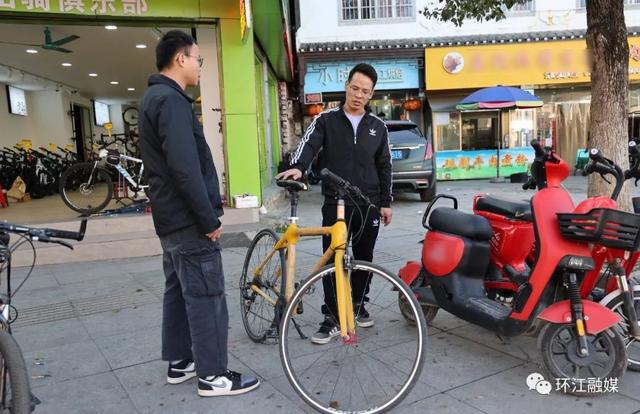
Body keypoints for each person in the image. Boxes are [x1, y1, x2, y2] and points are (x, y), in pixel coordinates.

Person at [138, 30, 259, 397]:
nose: (199, 66)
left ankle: (181, 362)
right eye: (197, 59)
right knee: (207, 295)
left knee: (178, 291)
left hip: (170, 219)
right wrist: (208, 219)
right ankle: (213, 375)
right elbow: (184, 168)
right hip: (188, 220)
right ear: (180, 59)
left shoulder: (153, 98)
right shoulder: (171, 101)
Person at [276, 63, 392, 344]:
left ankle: (358, 304)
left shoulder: (378, 127)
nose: (358, 95)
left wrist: (386, 202)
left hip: (368, 203)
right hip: (336, 202)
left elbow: (385, 166)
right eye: (354, 88)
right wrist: (298, 167)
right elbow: (309, 145)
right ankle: (331, 316)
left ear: (371, 94)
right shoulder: (326, 120)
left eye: (365, 91)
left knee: (364, 259)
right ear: (346, 86)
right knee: (332, 258)